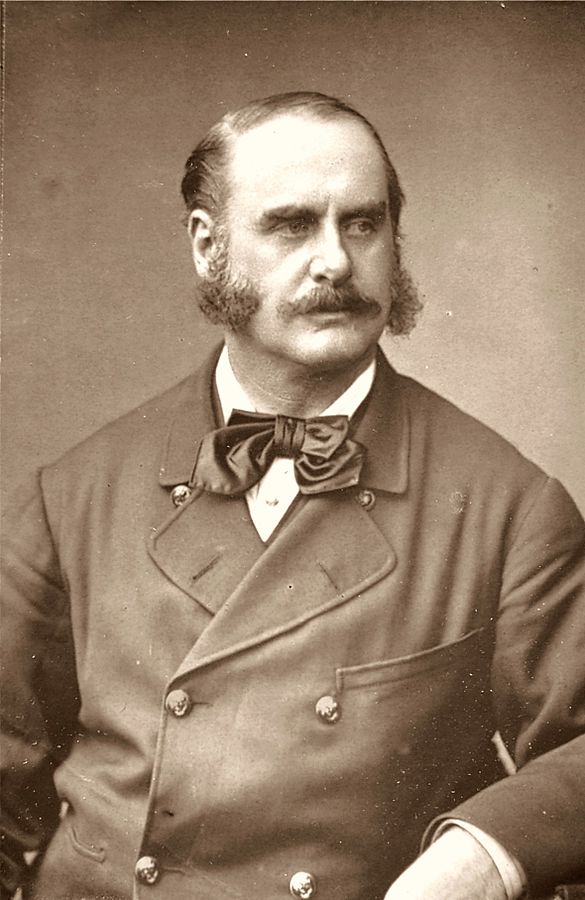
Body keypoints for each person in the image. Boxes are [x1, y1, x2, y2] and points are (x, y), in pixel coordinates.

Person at [1, 91, 584, 900]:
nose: (336, 261)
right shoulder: (72, 495)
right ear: (207, 246)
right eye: (291, 225)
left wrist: (484, 854)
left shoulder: (509, 507)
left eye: (363, 223)